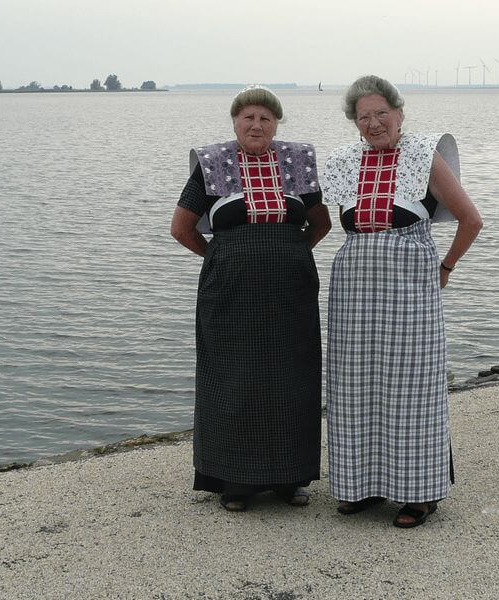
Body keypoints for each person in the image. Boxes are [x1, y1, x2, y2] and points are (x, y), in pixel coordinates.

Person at [321, 75, 483, 528]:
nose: (373, 123)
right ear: (355, 123)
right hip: (353, 296)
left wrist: (445, 268)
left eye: (381, 113)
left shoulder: (424, 155)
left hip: (411, 293)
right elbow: (342, 225)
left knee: (412, 389)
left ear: (399, 113)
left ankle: (419, 493)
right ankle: (362, 485)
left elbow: (471, 220)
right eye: (363, 117)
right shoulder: (344, 161)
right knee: (354, 388)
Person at [170, 85, 331, 512]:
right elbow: (181, 229)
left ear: (276, 124)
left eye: (265, 118)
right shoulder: (211, 164)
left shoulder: (297, 162)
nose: (256, 125)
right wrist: (221, 257)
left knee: (292, 377)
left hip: (290, 293)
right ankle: (235, 481)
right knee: (233, 377)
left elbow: (321, 223)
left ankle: (290, 479)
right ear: (235, 122)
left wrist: (290, 253)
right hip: (230, 294)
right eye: (248, 118)